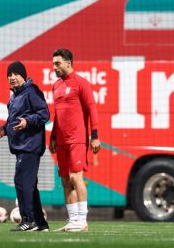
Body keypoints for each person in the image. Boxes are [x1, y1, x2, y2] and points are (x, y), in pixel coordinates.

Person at [0, 61, 50, 231]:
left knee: (23, 182)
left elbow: (44, 114)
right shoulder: (15, 96)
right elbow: (15, 120)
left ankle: (29, 221)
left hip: (30, 146)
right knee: (29, 185)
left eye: (15, 74)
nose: (12, 77)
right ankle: (40, 223)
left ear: (23, 76)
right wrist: (4, 129)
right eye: (9, 75)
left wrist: (27, 122)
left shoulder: (31, 91)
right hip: (22, 146)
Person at [49, 49, 101, 232]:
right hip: (61, 141)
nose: (54, 67)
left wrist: (94, 136)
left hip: (77, 139)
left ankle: (83, 221)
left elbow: (92, 109)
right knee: (65, 181)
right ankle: (73, 221)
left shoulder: (81, 83)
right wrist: (53, 136)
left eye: (57, 63)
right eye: (53, 63)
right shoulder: (56, 86)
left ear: (68, 63)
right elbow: (57, 115)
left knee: (75, 177)